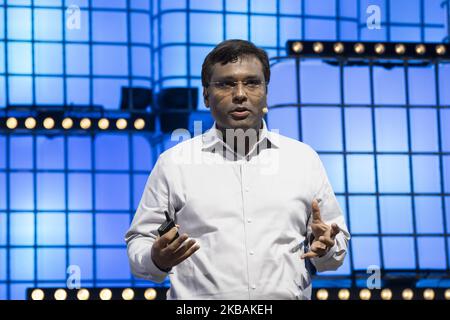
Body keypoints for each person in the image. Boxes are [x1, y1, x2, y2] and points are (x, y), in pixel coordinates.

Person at [125, 39, 350, 300]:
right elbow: (138, 245)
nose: (240, 94)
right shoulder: (174, 163)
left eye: (252, 83)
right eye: (226, 84)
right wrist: (156, 258)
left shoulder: (303, 159)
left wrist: (325, 249)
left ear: (265, 92)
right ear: (206, 96)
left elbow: (335, 249)